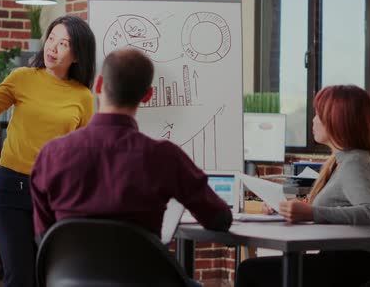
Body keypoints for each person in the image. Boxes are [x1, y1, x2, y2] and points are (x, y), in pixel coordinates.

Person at [30, 48, 233, 243]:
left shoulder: (52, 154)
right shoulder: (165, 157)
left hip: (67, 276)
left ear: (98, 85)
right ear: (147, 95)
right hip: (142, 278)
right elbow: (219, 219)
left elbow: (44, 237)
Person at [0, 15, 96, 287]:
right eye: (51, 38)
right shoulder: (22, 78)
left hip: (54, 196)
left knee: (49, 277)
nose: (53, 47)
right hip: (10, 192)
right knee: (19, 277)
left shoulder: (83, 98)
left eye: (63, 43)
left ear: (77, 55)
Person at [236, 84, 370, 287]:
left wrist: (311, 213)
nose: (313, 121)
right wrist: (287, 210)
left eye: (318, 115)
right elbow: (336, 209)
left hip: (347, 267)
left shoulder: (354, 162)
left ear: (337, 119)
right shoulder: (341, 161)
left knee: (249, 270)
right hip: (337, 262)